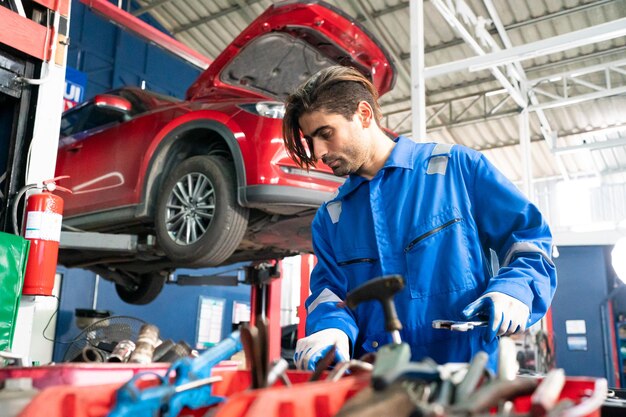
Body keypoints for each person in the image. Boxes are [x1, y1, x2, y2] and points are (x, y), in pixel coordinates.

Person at [282, 65, 557, 371]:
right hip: (378, 387)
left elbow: (530, 240)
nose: (318, 151)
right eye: (311, 140)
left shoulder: (456, 169)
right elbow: (328, 294)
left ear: (363, 115)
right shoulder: (331, 217)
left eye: (325, 133)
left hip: (467, 381)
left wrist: (515, 289)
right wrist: (330, 328)